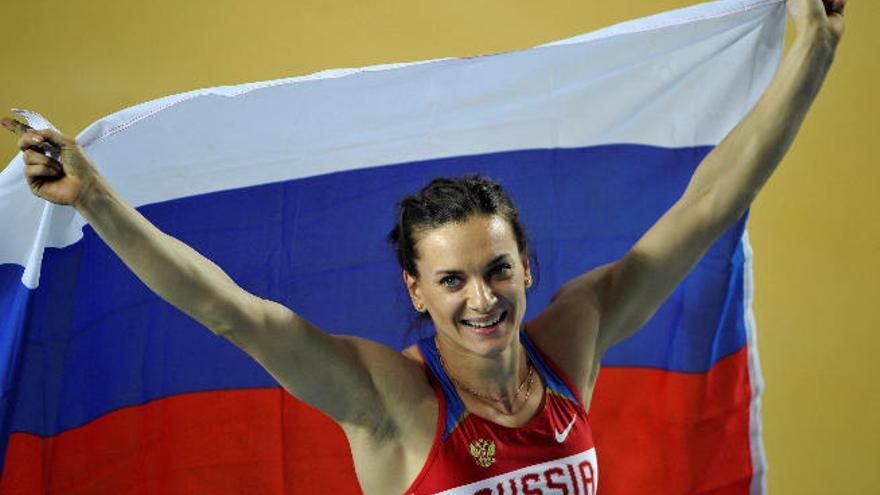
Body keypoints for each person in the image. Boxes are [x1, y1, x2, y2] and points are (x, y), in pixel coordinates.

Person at [2, 0, 845, 493]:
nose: (482, 298)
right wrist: (99, 203)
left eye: (496, 270)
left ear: (526, 269)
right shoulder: (390, 401)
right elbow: (231, 313)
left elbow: (706, 205)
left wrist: (813, 51)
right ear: (417, 290)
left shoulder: (571, 341)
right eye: (453, 280)